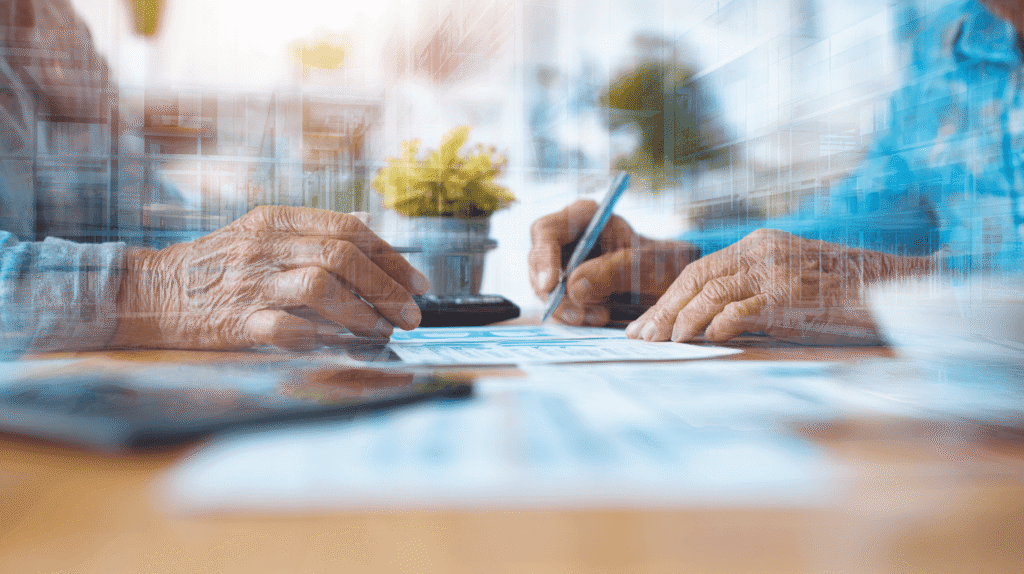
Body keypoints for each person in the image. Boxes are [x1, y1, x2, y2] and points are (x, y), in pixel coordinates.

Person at [529, 0, 1024, 345]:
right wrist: (675, 263)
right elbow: (881, 217)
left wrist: (893, 284)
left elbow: (875, 267)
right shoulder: (949, 42)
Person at [0, 0, 428, 356]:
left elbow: (138, 212)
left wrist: (283, 259)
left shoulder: (49, 21)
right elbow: (167, 273)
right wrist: (156, 290)